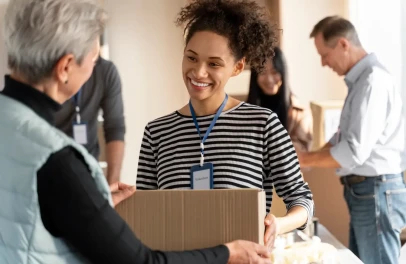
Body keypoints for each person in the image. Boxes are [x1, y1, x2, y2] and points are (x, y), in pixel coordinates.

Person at [0, 0, 273, 263]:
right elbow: (141, 261)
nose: (96, 69)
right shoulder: (59, 160)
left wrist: (96, 203)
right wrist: (229, 253)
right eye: (94, 60)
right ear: (65, 68)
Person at [136, 0, 314, 250]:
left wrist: (277, 224)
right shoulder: (157, 132)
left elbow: (302, 199)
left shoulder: (263, 124)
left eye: (214, 64)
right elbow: (147, 216)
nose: (198, 72)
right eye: (191, 57)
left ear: (237, 67)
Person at [296, 16, 406, 264]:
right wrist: (307, 159)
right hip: (367, 191)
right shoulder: (361, 82)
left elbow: (352, 151)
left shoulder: (372, 81)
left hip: (375, 189)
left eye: (324, 55)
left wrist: (302, 158)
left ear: (344, 44)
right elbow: (341, 137)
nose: (324, 63)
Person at [55, 53, 125, 184]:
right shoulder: (52, 71)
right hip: (52, 169)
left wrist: (113, 183)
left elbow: (115, 128)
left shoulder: (105, 71)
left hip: (89, 169)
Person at [247, 46, 313, 152]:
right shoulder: (243, 112)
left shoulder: (300, 113)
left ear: (283, 73)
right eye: (263, 73)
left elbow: (303, 155)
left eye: (274, 72)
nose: (269, 79)